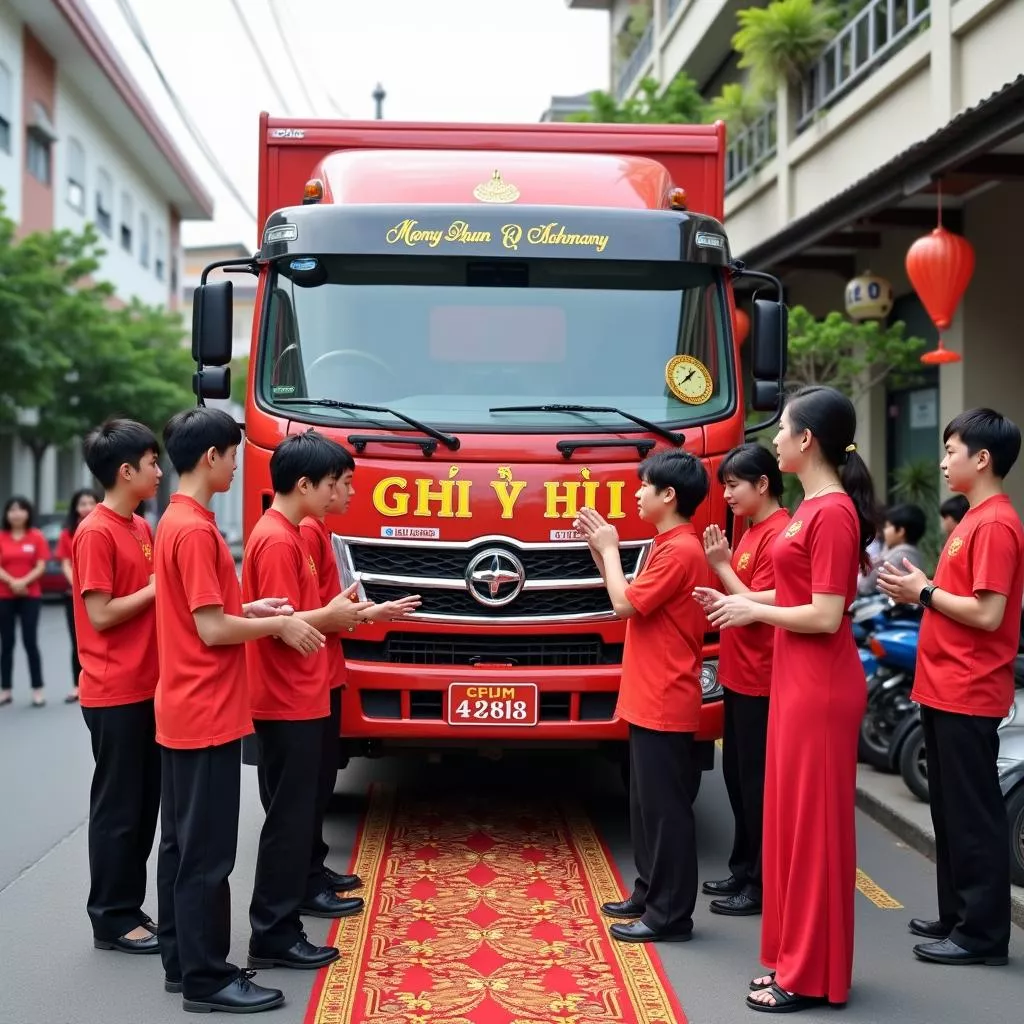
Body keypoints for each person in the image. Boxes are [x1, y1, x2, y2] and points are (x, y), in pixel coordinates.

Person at [695, 385, 875, 1013]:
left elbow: (827, 614)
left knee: (813, 833)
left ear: (806, 441)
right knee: (792, 829)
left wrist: (748, 605)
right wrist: (742, 602)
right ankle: (798, 961)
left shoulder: (831, 513)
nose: (774, 440)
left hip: (821, 683)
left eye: (783, 430)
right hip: (798, 677)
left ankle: (810, 972)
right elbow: (793, 595)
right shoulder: (811, 507)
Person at [155, 406, 325, 1014]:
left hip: (181, 704)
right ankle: (207, 978)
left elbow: (206, 614)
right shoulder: (197, 528)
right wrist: (278, 621)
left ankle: (182, 962)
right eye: (233, 455)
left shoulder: (173, 518)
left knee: (179, 844)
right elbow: (209, 629)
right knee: (207, 854)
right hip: (207, 708)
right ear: (212, 457)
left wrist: (251, 610)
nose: (236, 466)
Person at [878, 408, 1022, 968]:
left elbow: (988, 614)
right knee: (949, 811)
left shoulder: (995, 524)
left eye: (951, 451)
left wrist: (924, 592)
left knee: (972, 815)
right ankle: (956, 916)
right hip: (944, 687)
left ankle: (982, 936)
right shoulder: (973, 519)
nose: (941, 462)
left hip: (968, 688)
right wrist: (920, 592)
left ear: (982, 459)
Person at [245, 430, 375, 972]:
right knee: (288, 818)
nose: (337, 495)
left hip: (302, 693)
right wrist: (336, 617)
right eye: (332, 485)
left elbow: (299, 616)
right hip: (287, 695)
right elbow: (286, 625)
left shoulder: (291, 533)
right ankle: (274, 932)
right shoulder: (278, 539)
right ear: (304, 484)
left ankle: (283, 920)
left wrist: (346, 614)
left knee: (297, 814)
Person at [574, 450, 709, 945]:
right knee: (646, 807)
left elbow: (622, 602)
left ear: (668, 495)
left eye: (644, 485)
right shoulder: (668, 544)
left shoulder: (679, 550)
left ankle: (670, 914)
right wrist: (600, 548)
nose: (636, 492)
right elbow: (630, 596)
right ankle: (650, 892)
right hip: (651, 692)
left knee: (666, 811)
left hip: (665, 696)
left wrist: (610, 550)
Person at [299, 450, 420, 908]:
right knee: (304, 795)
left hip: (323, 675)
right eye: (344, 482)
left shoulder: (316, 531)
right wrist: (360, 614)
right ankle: (304, 883)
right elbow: (305, 616)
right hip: (304, 684)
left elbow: (331, 609)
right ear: (315, 484)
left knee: (319, 784)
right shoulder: (298, 534)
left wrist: (374, 612)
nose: (350, 492)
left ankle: (312, 869)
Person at [74, 422, 163, 955]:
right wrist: (154, 590)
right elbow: (100, 614)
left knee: (143, 805)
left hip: (146, 686)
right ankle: (109, 917)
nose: (159, 471)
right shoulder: (97, 531)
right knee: (118, 809)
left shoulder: (140, 526)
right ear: (125, 471)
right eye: (151, 462)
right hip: (114, 690)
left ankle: (128, 906)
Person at [700, 443, 789, 918]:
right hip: (738, 673)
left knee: (757, 783)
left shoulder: (780, 535)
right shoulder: (753, 532)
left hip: (763, 676)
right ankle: (742, 867)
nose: (728, 494)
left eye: (734, 485)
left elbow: (759, 604)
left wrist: (719, 567)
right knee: (737, 776)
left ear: (763, 484)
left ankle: (758, 882)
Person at [0, 496, 50, 707]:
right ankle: (6, 689)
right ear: (7, 514)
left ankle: (37, 689)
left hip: (31, 595)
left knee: (30, 642)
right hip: (5, 595)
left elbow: (41, 566)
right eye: (12, 509)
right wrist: (12, 582)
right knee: (7, 643)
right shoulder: (1, 536)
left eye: (21, 509)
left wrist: (22, 582)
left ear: (28, 513)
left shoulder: (36, 536)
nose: (17, 513)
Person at [58, 487, 100, 703]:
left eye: (90, 503)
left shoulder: (102, 529)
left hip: (98, 594)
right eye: (82, 504)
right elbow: (65, 563)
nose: (86, 508)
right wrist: (79, 584)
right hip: (75, 596)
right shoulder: (68, 533)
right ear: (76, 508)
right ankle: (77, 684)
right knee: (77, 642)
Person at [858, 502, 926, 597]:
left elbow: (864, 586)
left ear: (900, 531)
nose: (884, 531)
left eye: (887, 527)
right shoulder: (914, 553)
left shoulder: (897, 556)